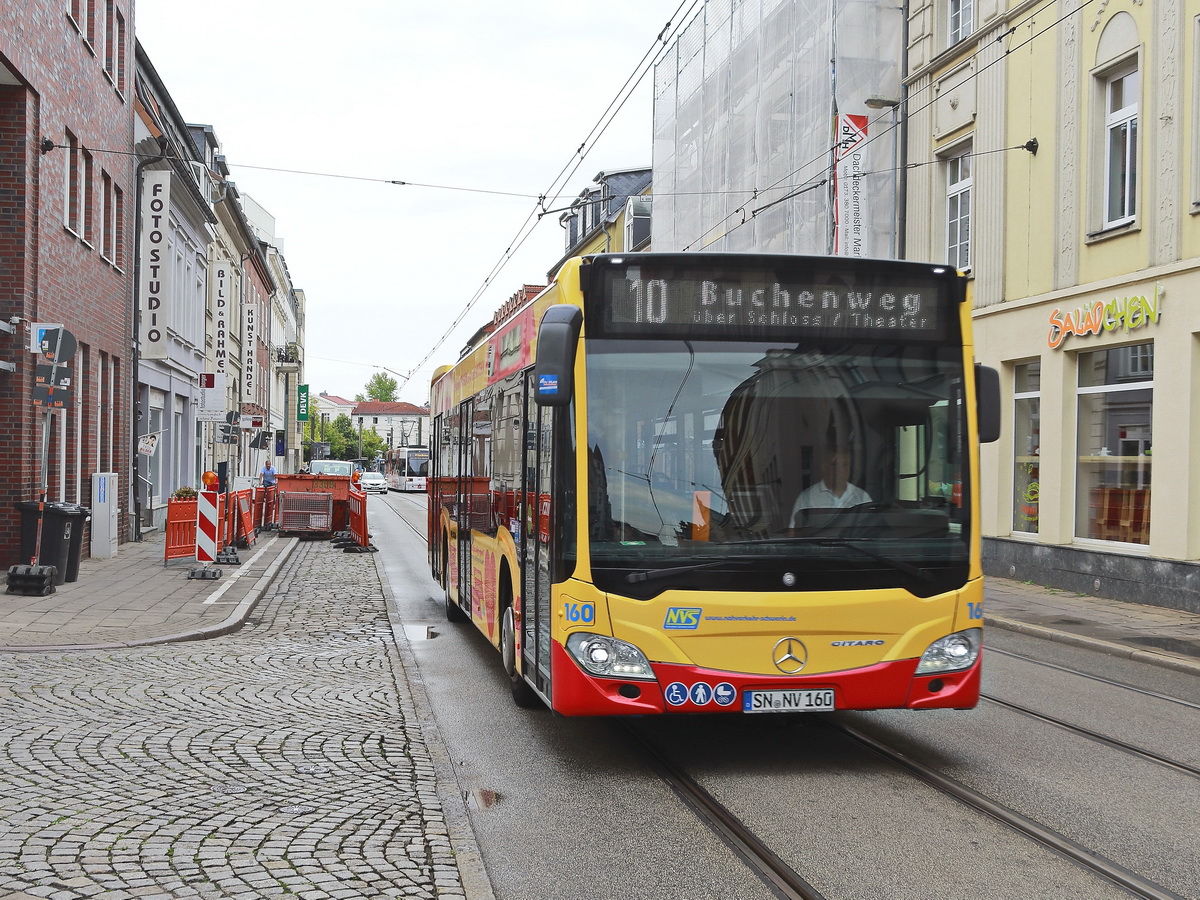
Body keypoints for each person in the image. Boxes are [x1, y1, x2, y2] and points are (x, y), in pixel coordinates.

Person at [791, 445, 871, 526]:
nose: (841, 469)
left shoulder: (862, 497)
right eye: (834, 464)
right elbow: (794, 534)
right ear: (824, 467)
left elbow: (870, 530)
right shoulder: (806, 498)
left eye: (845, 464)